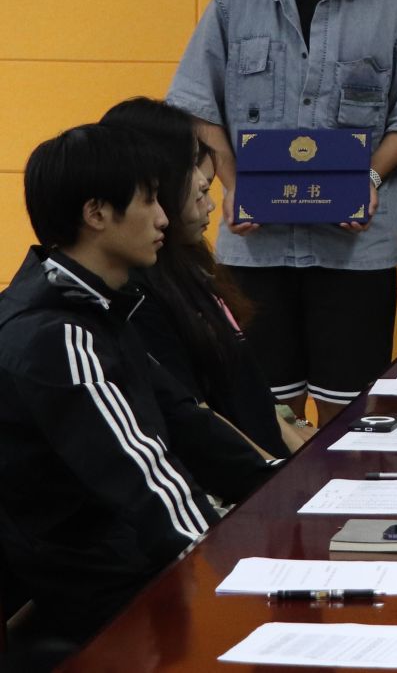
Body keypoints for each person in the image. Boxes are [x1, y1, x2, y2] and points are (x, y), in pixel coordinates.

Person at [166, 0, 397, 414]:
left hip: (355, 248)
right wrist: (234, 184)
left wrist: (368, 177)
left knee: (354, 414)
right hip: (255, 246)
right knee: (266, 413)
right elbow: (198, 106)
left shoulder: (390, 7)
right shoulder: (232, 5)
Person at [0, 125, 276, 662]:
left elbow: (184, 420)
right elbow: (144, 479)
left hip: (131, 559)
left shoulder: (96, 303)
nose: (164, 218)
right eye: (149, 200)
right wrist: (239, 575)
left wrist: (286, 493)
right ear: (97, 213)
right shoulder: (57, 333)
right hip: (103, 583)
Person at [100, 97, 308, 456]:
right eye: (192, 166)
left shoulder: (190, 270)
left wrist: (304, 449)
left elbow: (253, 394)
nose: (208, 199)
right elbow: (197, 417)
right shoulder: (136, 295)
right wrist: (274, 469)